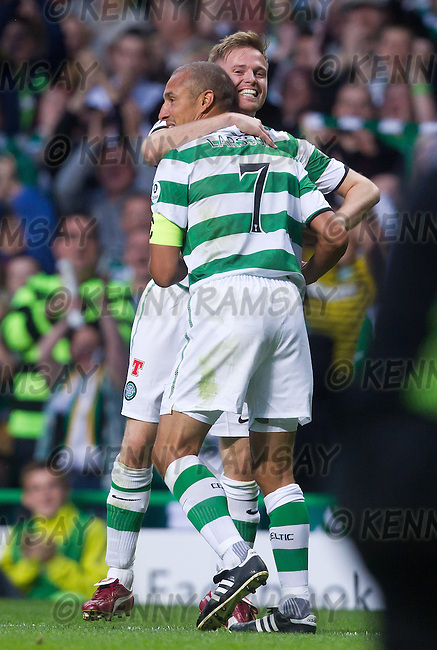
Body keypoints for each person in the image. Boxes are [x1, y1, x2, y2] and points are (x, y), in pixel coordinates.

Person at [82, 31, 379, 624]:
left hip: (227, 298)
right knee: (139, 441)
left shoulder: (286, 146)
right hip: (178, 305)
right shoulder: (174, 132)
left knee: (242, 455)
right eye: (240, 69)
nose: (253, 79)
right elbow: (151, 149)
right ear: (211, 85)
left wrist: (303, 265)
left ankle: (237, 580)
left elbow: (360, 197)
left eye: (263, 71)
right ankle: (119, 579)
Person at [148, 61, 348, 632]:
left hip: (225, 301)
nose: (164, 112)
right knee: (275, 466)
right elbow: (335, 232)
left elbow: (163, 273)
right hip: (286, 307)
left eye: (171, 98)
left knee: (174, 449)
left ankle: (237, 562)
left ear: (204, 102)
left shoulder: (179, 160)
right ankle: (297, 606)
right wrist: (299, 276)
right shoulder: (282, 154)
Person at [0, 461, 107, 599]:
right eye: (36, 488)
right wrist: (31, 563)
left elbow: (99, 590)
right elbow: (7, 585)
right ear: (26, 498)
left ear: (66, 490)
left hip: (69, 610)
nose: (45, 494)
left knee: (69, 598)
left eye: (52, 486)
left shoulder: (92, 528)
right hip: (24, 610)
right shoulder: (19, 531)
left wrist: (53, 560)